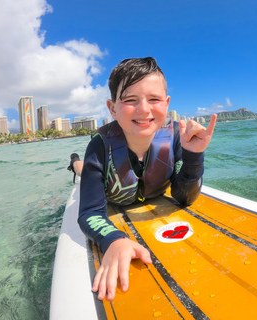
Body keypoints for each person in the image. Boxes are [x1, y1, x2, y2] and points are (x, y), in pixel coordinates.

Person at [68, 57, 217, 301]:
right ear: (112, 108)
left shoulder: (175, 138)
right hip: (108, 187)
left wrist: (193, 155)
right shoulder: (99, 145)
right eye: (130, 100)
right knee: (83, 168)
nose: (144, 109)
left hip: (139, 188)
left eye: (154, 99)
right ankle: (74, 161)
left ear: (166, 104)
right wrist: (113, 240)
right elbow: (89, 213)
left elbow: (184, 198)